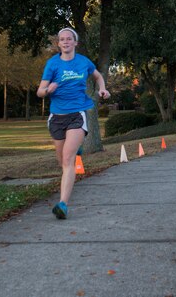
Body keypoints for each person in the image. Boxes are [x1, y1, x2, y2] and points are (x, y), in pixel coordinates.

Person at [37, 27, 110, 219]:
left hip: (77, 113)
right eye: (62, 39)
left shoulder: (83, 62)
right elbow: (40, 91)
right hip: (57, 116)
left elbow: (98, 76)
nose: (66, 42)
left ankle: (63, 204)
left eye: (69, 39)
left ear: (75, 43)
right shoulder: (52, 64)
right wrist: (48, 90)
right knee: (62, 161)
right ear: (59, 44)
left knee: (68, 161)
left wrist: (102, 89)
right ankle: (76, 149)